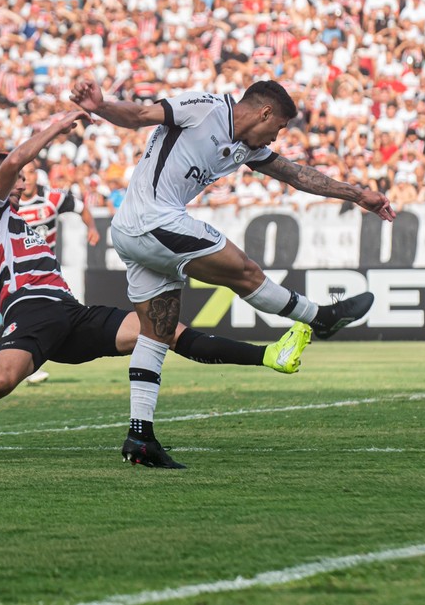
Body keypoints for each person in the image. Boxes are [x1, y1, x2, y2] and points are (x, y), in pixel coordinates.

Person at [0, 110, 313, 465]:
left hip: (68, 312)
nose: (23, 182)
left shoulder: (5, 224)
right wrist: (58, 126)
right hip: (33, 310)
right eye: (16, 179)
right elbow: (15, 160)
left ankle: (270, 355)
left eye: (21, 180)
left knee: (161, 330)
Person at [70, 79, 395, 469]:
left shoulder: (247, 147)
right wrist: (100, 105)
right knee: (243, 270)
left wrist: (358, 195)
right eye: (278, 128)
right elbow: (140, 115)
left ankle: (140, 438)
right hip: (152, 221)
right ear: (265, 113)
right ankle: (319, 318)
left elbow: (295, 174)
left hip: (134, 233)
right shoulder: (204, 108)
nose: (276, 137)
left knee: (156, 333)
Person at [0, 161, 101, 384]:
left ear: (36, 176)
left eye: (29, 174)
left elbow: (82, 209)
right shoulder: (8, 206)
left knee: (30, 318)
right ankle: (28, 363)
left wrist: (92, 228)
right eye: (21, 175)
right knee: (30, 316)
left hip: (44, 271)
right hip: (16, 271)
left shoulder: (53, 198)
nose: (26, 179)